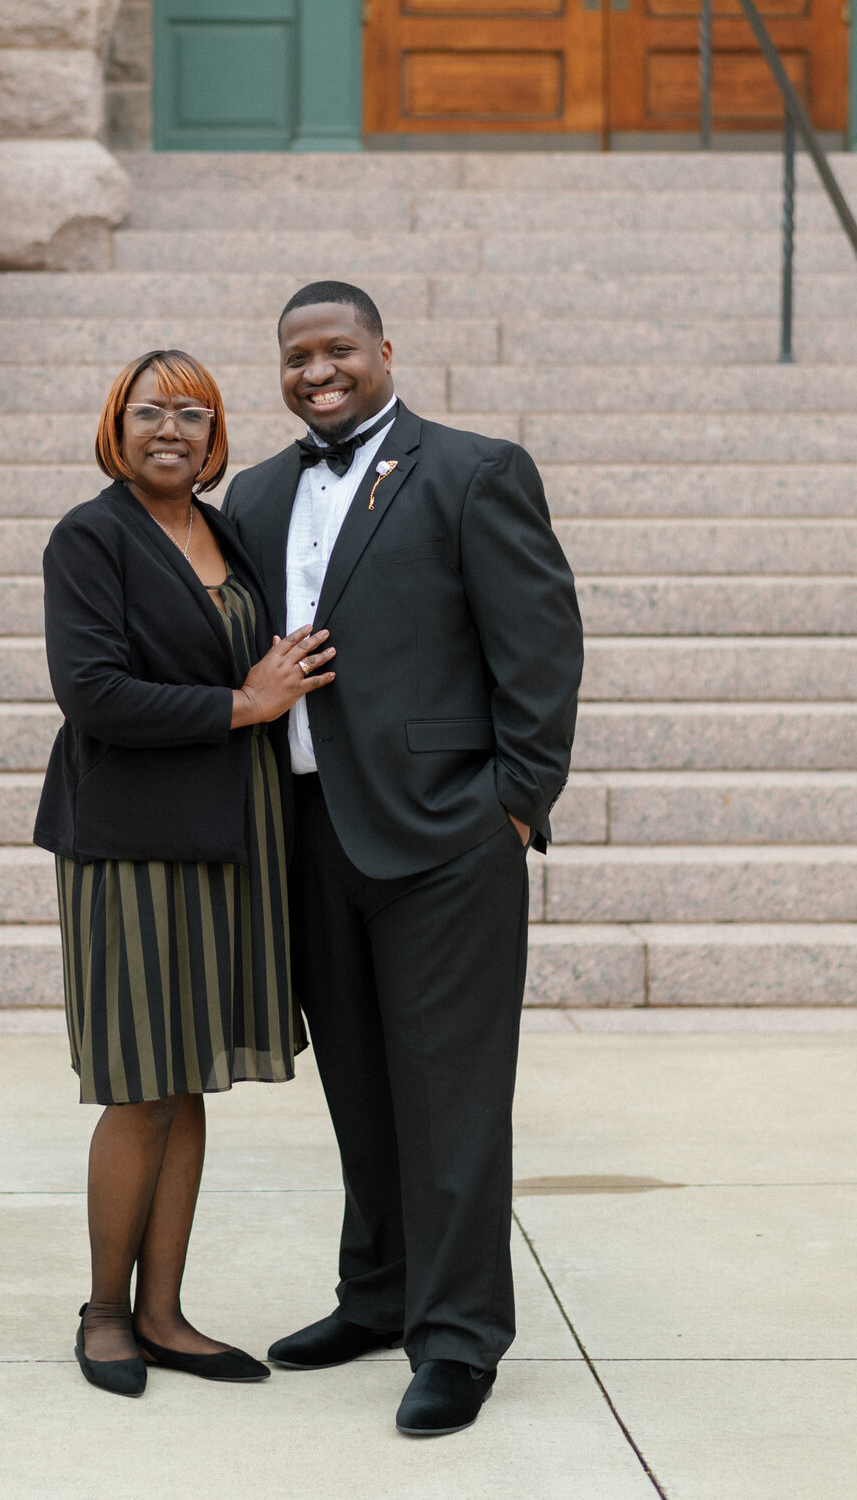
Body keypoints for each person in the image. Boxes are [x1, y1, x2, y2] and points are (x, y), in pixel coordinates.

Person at [222, 281, 583, 1438]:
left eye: (338, 350)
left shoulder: (475, 471)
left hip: (446, 839)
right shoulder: (259, 492)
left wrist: (513, 807)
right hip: (309, 830)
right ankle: (376, 1295)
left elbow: (541, 648)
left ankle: (459, 1336)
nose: (318, 372)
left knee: (453, 1099)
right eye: (296, 357)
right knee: (362, 1088)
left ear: (384, 350)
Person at [33, 348, 336, 1399]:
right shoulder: (91, 536)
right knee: (139, 1083)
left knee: (190, 1073)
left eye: (196, 414)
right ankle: (107, 1311)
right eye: (153, 411)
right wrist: (245, 706)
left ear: (217, 436)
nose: (175, 430)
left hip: (234, 832)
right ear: (117, 425)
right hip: (131, 843)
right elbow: (95, 695)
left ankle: (165, 1311)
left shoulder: (229, 533)